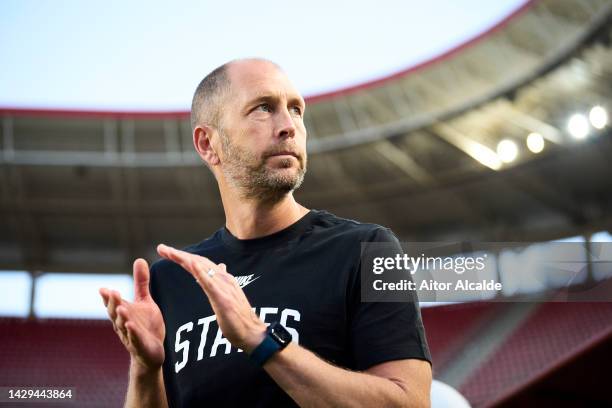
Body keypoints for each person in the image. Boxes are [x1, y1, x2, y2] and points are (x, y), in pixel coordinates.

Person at [100, 58, 432, 407]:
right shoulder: (170, 280)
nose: (289, 126)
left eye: (296, 110)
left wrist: (260, 338)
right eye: (263, 109)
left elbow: (408, 402)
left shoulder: (369, 250)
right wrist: (145, 368)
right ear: (207, 144)